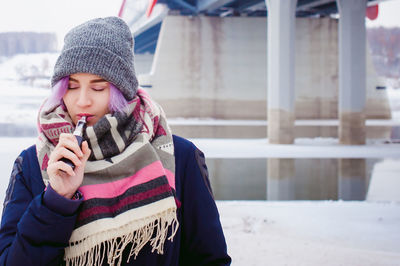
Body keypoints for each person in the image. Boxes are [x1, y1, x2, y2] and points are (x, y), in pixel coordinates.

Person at [0, 17, 231, 266]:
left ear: (123, 92)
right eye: (72, 86)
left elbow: (210, 259)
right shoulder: (33, 164)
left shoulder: (180, 157)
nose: (82, 101)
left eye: (98, 88)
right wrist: (55, 201)